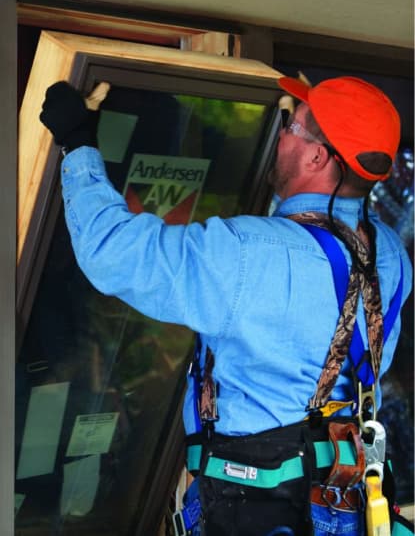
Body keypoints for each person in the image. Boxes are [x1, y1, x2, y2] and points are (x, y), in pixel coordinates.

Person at [39, 75, 412, 536]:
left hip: (254, 506)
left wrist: (77, 143)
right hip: (339, 501)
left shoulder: (249, 253)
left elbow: (113, 252)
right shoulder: (390, 254)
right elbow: (310, 232)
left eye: (290, 128)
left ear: (318, 156)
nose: (279, 137)